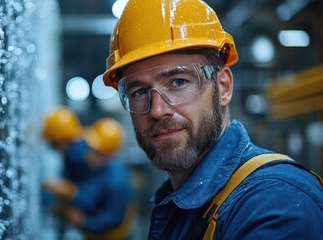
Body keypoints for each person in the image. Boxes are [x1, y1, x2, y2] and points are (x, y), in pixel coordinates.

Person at [101, 0, 323, 239]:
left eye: (178, 82)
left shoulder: (276, 203)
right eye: (139, 92)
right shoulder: (178, 204)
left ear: (223, 87)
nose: (157, 110)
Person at [42, 111, 136, 240]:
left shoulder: (116, 182)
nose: (91, 155)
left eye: (98, 153)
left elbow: (113, 218)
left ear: (109, 155)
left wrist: (83, 221)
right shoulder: (96, 167)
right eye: (91, 149)